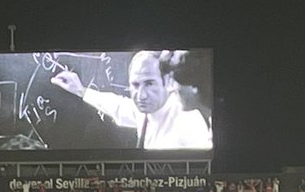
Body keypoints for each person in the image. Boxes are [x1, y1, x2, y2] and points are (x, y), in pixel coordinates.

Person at [51, 50, 212, 150]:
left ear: (167, 81)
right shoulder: (146, 111)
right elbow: (118, 106)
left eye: (149, 84)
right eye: (135, 85)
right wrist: (81, 90)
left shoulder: (190, 122)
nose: (141, 95)